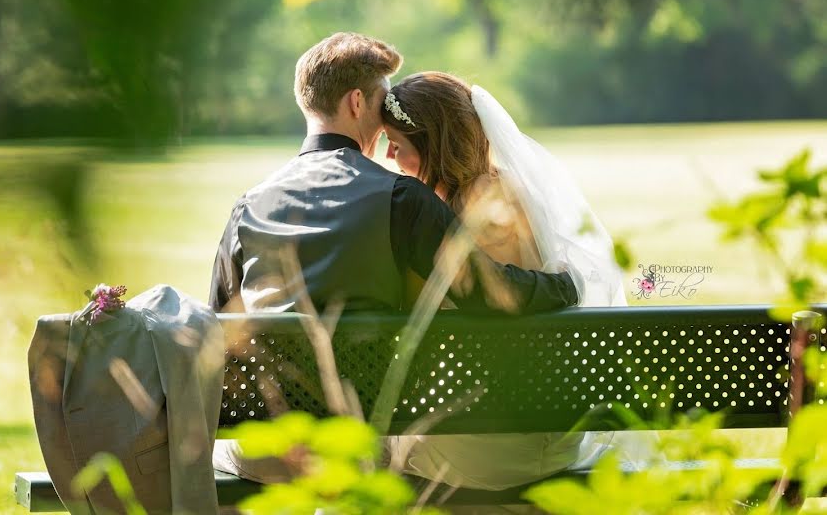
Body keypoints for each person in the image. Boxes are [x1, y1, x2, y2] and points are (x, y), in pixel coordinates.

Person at [208, 33, 580, 486]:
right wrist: (568, 284)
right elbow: (489, 292)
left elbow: (220, 324)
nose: (386, 122)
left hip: (264, 448)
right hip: (354, 449)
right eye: (383, 102)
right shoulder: (402, 197)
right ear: (356, 101)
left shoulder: (248, 205)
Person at [380, 71, 627, 494]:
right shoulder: (515, 190)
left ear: (430, 143)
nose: (388, 156)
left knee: (373, 446)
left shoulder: (450, 222)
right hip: (557, 435)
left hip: (485, 446)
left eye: (397, 145)